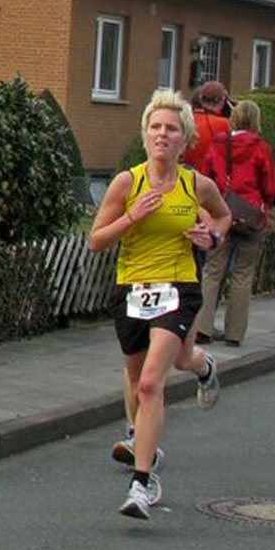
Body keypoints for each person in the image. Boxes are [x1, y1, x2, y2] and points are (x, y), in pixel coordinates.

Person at [89, 89, 230, 520]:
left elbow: (223, 217)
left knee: (151, 383)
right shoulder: (127, 183)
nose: (162, 135)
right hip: (132, 287)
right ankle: (202, 367)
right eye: (155, 127)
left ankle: (143, 480)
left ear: (185, 137)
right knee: (141, 375)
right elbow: (96, 240)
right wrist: (133, 216)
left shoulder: (195, 184)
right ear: (145, 134)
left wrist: (214, 237)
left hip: (179, 285)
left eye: (171, 129)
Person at [194, 99, 275, 346]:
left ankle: (203, 328)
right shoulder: (261, 148)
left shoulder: (219, 145)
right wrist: (265, 205)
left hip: (222, 211)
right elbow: (270, 186)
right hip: (250, 215)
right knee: (243, 274)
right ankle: (234, 333)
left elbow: (206, 176)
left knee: (212, 271)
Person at [180, 80, 230, 173]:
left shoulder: (185, 120)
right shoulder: (223, 124)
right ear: (222, 101)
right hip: (210, 178)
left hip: (184, 176)